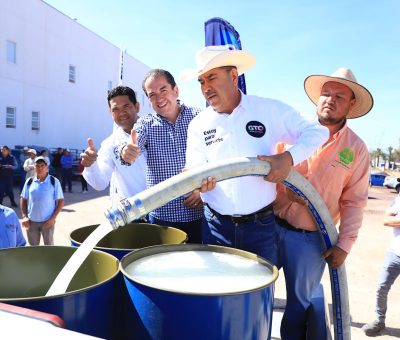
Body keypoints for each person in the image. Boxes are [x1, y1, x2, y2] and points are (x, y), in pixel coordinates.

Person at [182, 45, 328, 263]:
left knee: (259, 295)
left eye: (211, 77)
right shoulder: (198, 125)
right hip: (216, 228)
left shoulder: (267, 110)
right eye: (201, 81)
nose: (206, 87)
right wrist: (195, 182)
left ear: (233, 76)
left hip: (261, 228)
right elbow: (193, 167)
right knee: (220, 293)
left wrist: (288, 158)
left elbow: (317, 131)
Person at [273, 67, 373, 339]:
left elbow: (354, 201)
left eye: (339, 96)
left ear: (351, 105)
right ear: (317, 98)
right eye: (326, 94)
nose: (330, 99)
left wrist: (345, 244)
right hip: (268, 227)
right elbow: (267, 171)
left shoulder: (356, 149)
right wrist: (284, 188)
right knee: (257, 291)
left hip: (310, 241)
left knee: (298, 305)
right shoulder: (291, 131)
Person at [120, 69, 204, 243]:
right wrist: (125, 152)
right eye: (152, 95)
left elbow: (215, 158)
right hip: (161, 220)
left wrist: (202, 191)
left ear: (176, 90)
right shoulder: (145, 124)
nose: (159, 99)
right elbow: (130, 146)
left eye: (163, 90)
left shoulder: (200, 118)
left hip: (199, 215)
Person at [81, 86, 147, 206]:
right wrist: (91, 165)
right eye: (115, 109)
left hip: (166, 209)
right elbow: (100, 183)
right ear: (110, 112)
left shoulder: (157, 129)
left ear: (137, 106)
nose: (121, 113)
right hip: (135, 213)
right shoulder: (110, 144)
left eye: (126, 106)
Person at [362, 192, 400, 336]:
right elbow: (386, 220)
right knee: (381, 288)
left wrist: (396, 219)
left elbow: (392, 220)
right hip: (394, 254)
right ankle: (379, 321)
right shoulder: (397, 200)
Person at [20, 156, 64, 245]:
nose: (40, 168)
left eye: (42, 165)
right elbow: (23, 199)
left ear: (47, 167)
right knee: (33, 248)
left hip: (47, 222)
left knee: (49, 248)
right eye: (37, 166)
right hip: (31, 222)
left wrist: (52, 219)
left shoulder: (54, 181)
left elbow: (60, 201)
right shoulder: (29, 181)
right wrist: (24, 216)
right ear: (34, 167)